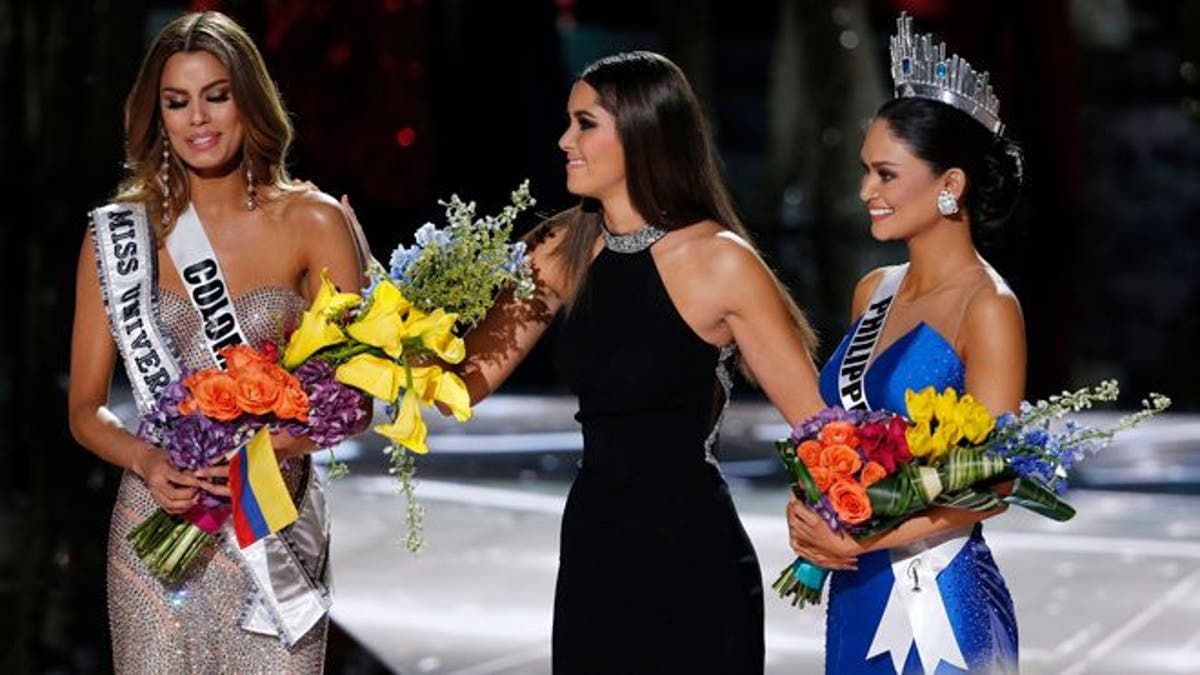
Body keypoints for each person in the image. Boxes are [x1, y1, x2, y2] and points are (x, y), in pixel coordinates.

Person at [456, 51, 830, 674]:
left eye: (585, 124)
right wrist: (370, 345)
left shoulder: (721, 261)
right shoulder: (560, 248)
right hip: (594, 554)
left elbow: (817, 426)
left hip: (693, 562)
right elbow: (462, 387)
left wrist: (833, 523)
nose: (564, 140)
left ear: (640, 130)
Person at [68, 11, 367, 671]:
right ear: (157, 116)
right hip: (158, 523)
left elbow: (356, 392)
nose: (197, 119)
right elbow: (85, 409)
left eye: (216, 96)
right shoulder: (119, 237)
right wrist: (148, 460)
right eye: (177, 102)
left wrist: (265, 449)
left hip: (270, 524)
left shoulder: (313, 221)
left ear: (249, 101)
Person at [786, 14, 1026, 674]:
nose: (867, 191)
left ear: (950, 185)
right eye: (866, 172)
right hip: (858, 587)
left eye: (887, 175)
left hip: (940, 597)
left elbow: (994, 480)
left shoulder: (990, 308)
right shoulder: (873, 290)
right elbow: (837, 435)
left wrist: (861, 530)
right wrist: (811, 509)